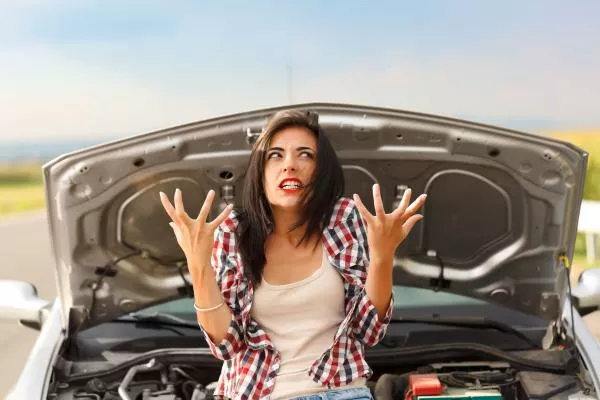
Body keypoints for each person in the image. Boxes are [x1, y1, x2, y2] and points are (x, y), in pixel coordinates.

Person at [159, 110, 427, 400]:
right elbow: (226, 345)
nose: (290, 165)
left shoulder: (343, 219)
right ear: (260, 171)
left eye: (305, 155)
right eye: (276, 155)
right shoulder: (232, 232)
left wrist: (382, 256)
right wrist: (198, 265)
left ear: (321, 171)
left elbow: (369, 330)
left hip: (340, 391)